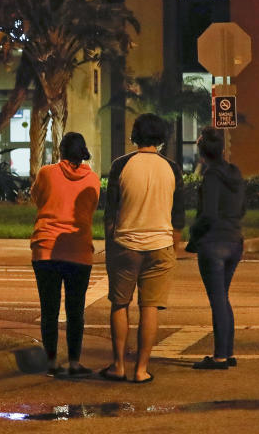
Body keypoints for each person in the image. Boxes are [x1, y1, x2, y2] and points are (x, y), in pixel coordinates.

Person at [102, 113, 185, 383]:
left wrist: (110, 241)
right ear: (161, 137)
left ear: (135, 135)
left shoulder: (121, 165)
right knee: (149, 308)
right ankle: (141, 370)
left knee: (119, 304)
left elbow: (110, 211)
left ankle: (118, 365)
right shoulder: (171, 168)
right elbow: (179, 213)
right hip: (160, 245)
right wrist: (174, 242)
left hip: (126, 243)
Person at [29, 132, 100, 378]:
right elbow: (91, 208)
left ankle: (50, 362)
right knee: (75, 310)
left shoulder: (46, 173)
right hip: (79, 251)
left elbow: (37, 199)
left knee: (49, 309)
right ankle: (74, 362)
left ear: (60, 150)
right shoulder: (93, 179)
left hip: (46, 248)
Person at [187, 127, 245, 370]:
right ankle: (227, 352)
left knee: (218, 299)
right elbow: (242, 209)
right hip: (234, 240)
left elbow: (208, 214)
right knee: (223, 297)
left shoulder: (211, 176)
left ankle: (220, 356)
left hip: (214, 243)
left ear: (202, 153)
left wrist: (194, 234)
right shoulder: (235, 173)